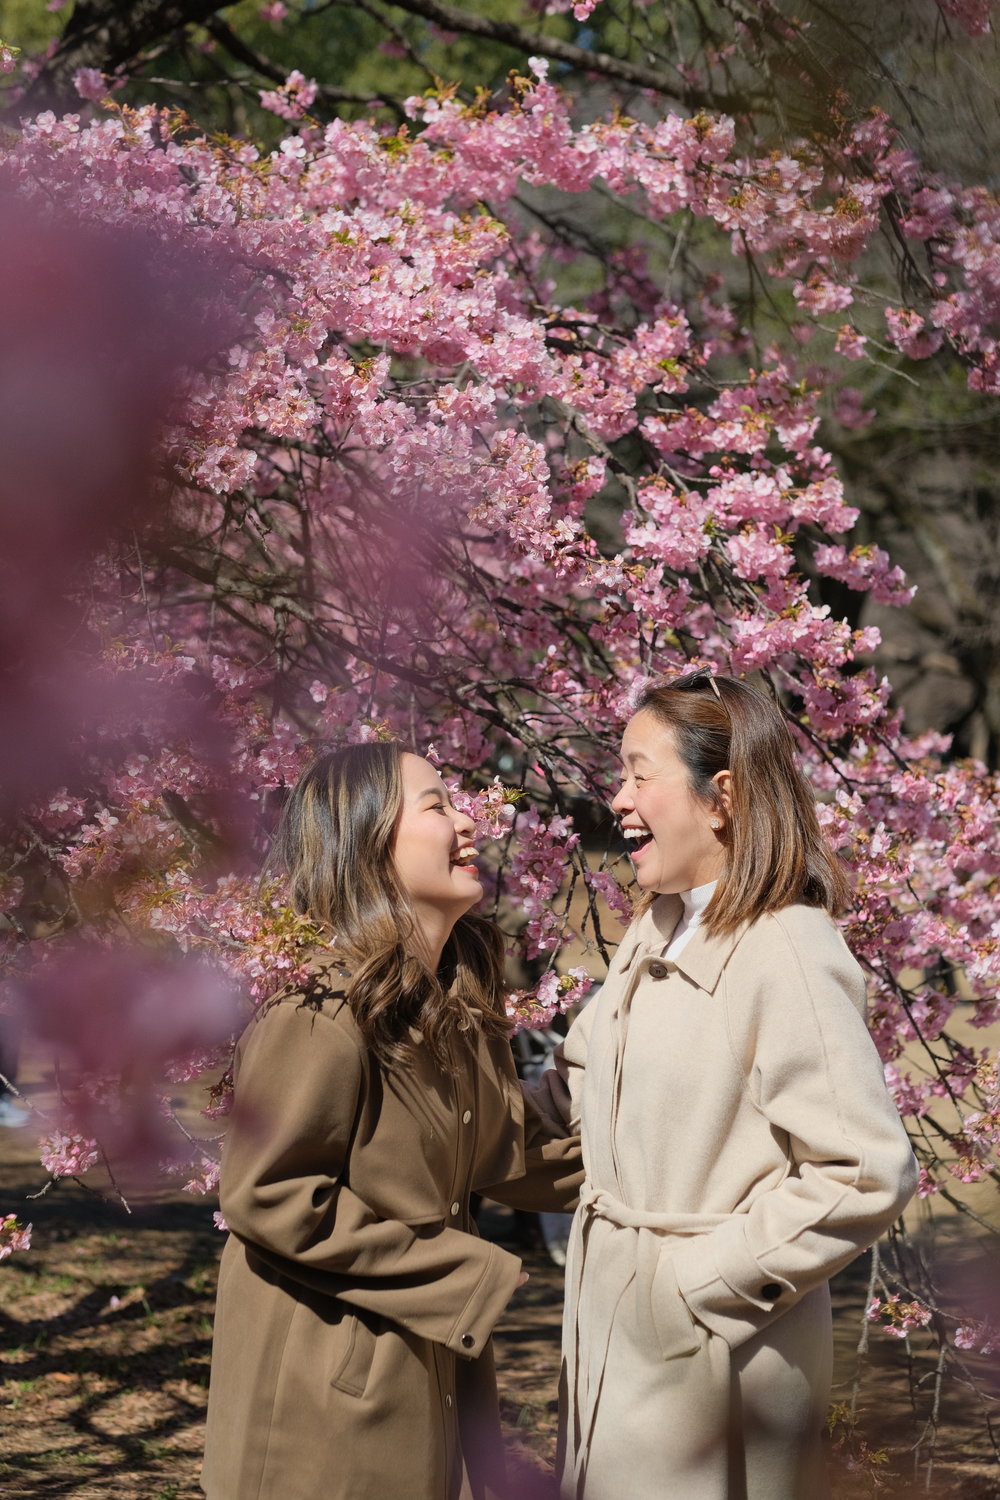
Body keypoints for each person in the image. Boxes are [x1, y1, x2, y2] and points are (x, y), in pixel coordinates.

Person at [532, 670, 919, 1500]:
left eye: (640, 773)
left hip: (712, 1361)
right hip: (619, 1341)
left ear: (723, 796)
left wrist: (700, 1289)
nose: (619, 799)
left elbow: (864, 1169)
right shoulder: (661, 924)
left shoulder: (786, 948)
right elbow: (583, 1084)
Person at [201, 742, 581, 1500]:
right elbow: (270, 1195)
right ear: (366, 840)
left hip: (428, 1374)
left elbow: (511, 1152)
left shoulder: (452, 1010)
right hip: (324, 1405)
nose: (469, 820)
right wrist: (464, 1275)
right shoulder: (320, 1010)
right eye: (439, 805)